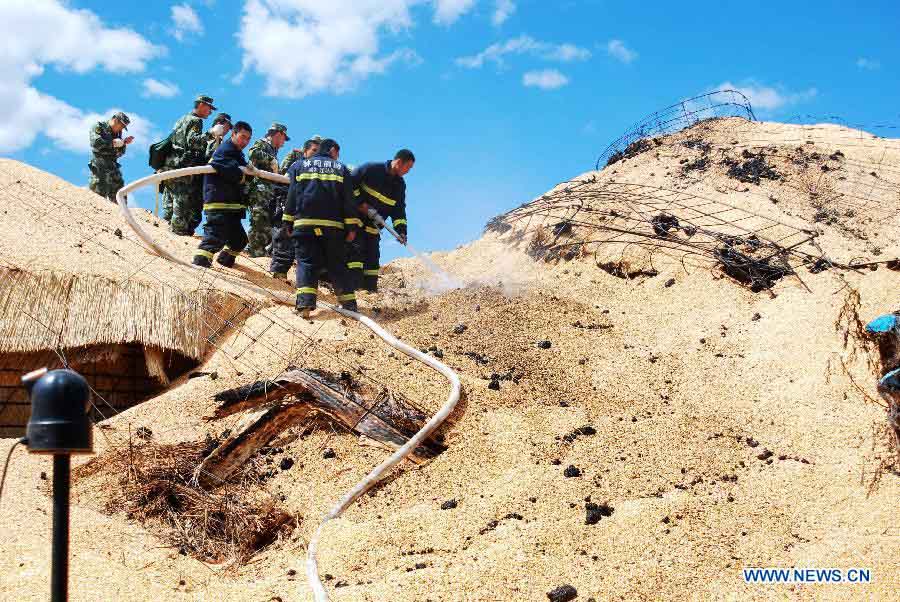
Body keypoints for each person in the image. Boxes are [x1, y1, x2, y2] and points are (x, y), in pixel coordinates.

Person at [282, 138, 359, 316]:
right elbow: (349, 201)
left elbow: (292, 195)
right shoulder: (341, 169)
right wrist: (352, 227)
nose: (337, 157)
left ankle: (304, 307)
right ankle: (349, 305)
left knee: (306, 263)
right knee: (337, 264)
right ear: (332, 150)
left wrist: (288, 221)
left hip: (304, 225)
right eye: (337, 153)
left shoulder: (299, 166)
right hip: (333, 228)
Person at [192, 121, 254, 268]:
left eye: (248, 139)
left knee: (239, 240)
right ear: (233, 134)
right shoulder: (225, 149)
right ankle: (200, 263)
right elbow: (219, 164)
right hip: (219, 202)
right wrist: (242, 175)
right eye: (242, 137)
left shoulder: (237, 153)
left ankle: (225, 260)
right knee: (215, 235)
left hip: (232, 206)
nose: (245, 141)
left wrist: (248, 171)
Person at [352, 149, 415, 292]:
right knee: (355, 254)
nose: (408, 171)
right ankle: (354, 290)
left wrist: (401, 231)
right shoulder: (371, 169)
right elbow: (349, 183)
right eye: (408, 167)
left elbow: (398, 210)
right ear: (399, 162)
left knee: (373, 259)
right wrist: (361, 203)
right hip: (355, 222)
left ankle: (370, 292)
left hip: (373, 226)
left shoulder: (399, 185)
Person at [161, 94, 216, 235]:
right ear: (202, 105)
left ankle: (164, 230)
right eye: (209, 108)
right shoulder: (196, 121)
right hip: (182, 166)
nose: (210, 112)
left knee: (170, 201)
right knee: (181, 202)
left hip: (170, 164)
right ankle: (176, 234)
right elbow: (193, 142)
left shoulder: (182, 119)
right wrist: (210, 134)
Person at [270, 137, 321, 279]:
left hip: (309, 214)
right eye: (314, 150)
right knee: (285, 238)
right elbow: (284, 185)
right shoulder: (297, 165)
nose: (317, 154)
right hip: (291, 208)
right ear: (305, 152)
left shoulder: (321, 171)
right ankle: (279, 273)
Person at [245, 122, 290, 257]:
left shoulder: (273, 149)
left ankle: (258, 250)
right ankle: (254, 251)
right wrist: (271, 160)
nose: (283, 142)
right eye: (283, 138)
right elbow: (253, 153)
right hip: (259, 190)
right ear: (278, 134)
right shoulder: (263, 144)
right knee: (259, 221)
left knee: (266, 223)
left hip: (268, 192)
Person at [88, 111, 133, 202]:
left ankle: (120, 214)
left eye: (123, 127)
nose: (121, 129)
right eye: (121, 125)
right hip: (99, 164)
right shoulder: (99, 126)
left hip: (112, 166)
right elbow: (95, 143)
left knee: (120, 194)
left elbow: (119, 153)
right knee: (98, 194)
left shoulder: (118, 134)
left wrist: (123, 143)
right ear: (115, 120)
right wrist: (113, 143)